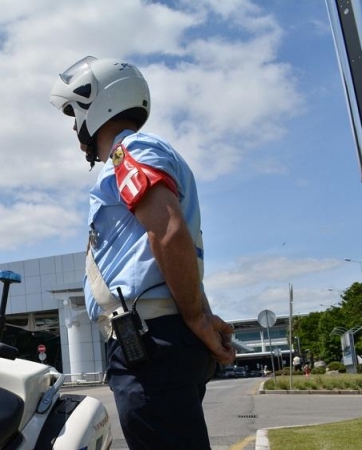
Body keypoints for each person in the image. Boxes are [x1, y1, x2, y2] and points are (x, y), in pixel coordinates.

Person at [49, 56, 235, 450]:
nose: (73, 126)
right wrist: (199, 313)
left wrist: (197, 317)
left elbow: (167, 233)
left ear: (95, 103)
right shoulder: (133, 155)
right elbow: (159, 251)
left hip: (150, 343)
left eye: (74, 113)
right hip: (153, 341)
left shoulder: (129, 151)